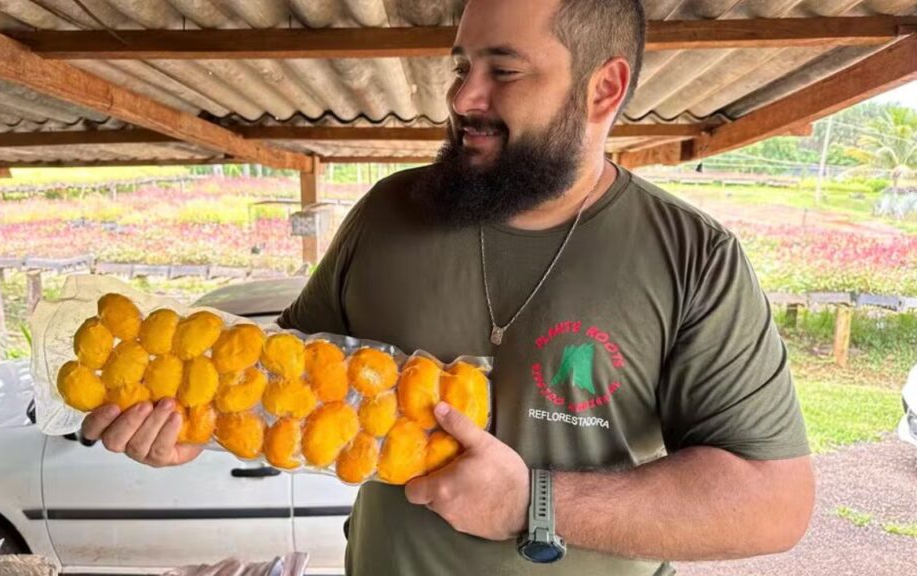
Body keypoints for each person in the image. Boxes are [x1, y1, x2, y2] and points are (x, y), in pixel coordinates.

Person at [81, 0, 815, 574]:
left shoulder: (692, 258)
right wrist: (192, 430)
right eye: (461, 64)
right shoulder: (388, 215)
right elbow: (281, 381)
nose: (464, 96)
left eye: (504, 69)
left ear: (604, 88)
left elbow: (773, 502)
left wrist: (535, 502)